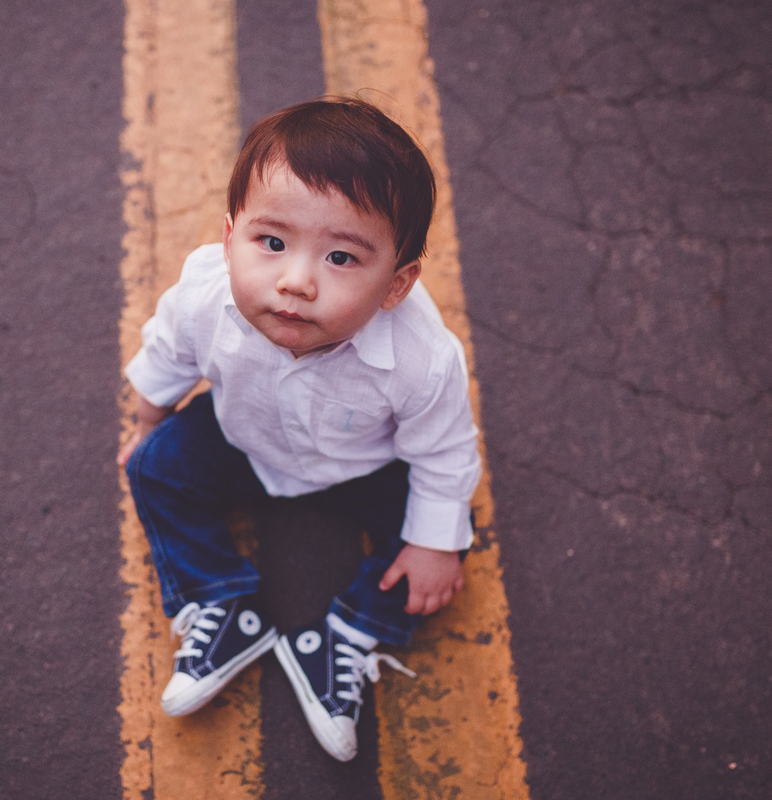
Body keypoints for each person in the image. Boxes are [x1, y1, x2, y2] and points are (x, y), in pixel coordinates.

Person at [117, 97, 482, 762]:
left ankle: (344, 634)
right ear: (230, 238)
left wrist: (433, 544)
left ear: (396, 284)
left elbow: (446, 452)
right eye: (272, 243)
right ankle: (222, 603)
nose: (295, 281)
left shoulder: (422, 360)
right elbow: (169, 349)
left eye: (341, 258)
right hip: (245, 440)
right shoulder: (206, 295)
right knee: (152, 466)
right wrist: (150, 418)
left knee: (447, 535)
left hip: (363, 464)